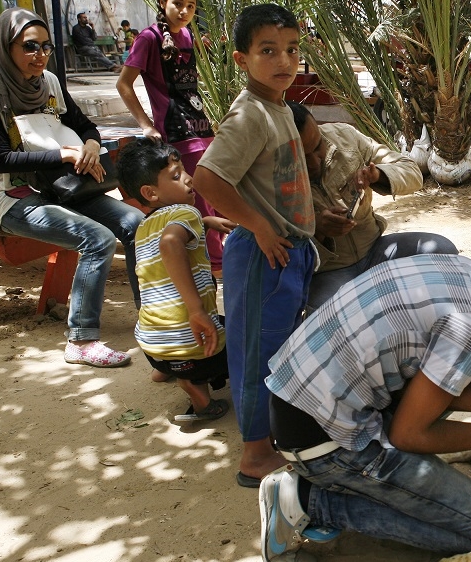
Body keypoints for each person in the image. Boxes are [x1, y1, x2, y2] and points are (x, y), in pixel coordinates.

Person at [259, 255, 471, 560]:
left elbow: (414, 373)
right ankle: (308, 503)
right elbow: (408, 434)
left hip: (296, 397)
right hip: (322, 440)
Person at [0, 8, 143, 367]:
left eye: (47, 47)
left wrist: (91, 144)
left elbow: (83, 124)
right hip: (10, 194)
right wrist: (61, 154)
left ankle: (151, 319)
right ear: (5, 45)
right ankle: (81, 339)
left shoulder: (48, 82)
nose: (41, 56)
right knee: (97, 238)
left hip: (62, 188)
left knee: (136, 223)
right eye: (31, 47)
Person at [191, 3, 314, 488]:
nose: (284, 60)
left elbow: (278, 180)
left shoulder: (280, 106)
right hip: (264, 255)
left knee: (278, 348)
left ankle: (273, 436)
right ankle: (254, 454)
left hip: (288, 251)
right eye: (268, 51)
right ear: (242, 59)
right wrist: (260, 226)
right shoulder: (250, 114)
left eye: (291, 49)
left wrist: (310, 217)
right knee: (257, 353)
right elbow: (207, 178)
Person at [117, 0, 224, 385]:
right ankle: (185, 343)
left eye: (192, 4)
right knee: (188, 221)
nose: (184, 9)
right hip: (175, 138)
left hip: (202, 131)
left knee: (202, 210)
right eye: (178, 2)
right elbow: (124, 83)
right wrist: (145, 124)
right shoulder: (148, 37)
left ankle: (184, 337)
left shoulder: (190, 36)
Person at [287, 102, 459, 313]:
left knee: (443, 251)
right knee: (335, 315)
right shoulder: (268, 175)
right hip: (327, 272)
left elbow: (411, 171)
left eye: (318, 147)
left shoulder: (344, 136)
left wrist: (378, 174)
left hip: (375, 252)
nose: (315, 161)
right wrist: (317, 229)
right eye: (303, 158)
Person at [118, 137, 235, 422]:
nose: (189, 178)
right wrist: (196, 310)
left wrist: (206, 224)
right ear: (151, 192)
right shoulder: (187, 212)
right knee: (240, 336)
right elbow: (171, 243)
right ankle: (199, 394)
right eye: (176, 175)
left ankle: (167, 369)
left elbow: (167, 236)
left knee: (168, 315)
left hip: (152, 345)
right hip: (193, 348)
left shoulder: (144, 226)